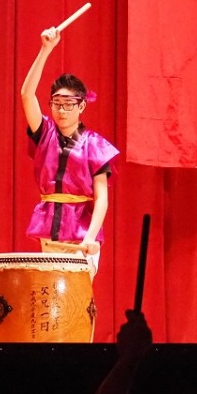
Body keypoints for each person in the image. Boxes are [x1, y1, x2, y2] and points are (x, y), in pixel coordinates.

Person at [19, 27, 119, 272]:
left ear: (82, 105)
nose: (61, 110)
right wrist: (45, 49)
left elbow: (102, 199)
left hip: (82, 236)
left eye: (68, 104)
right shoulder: (45, 134)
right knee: (51, 305)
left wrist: (91, 238)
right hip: (50, 232)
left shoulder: (96, 146)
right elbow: (26, 94)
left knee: (76, 305)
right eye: (56, 104)